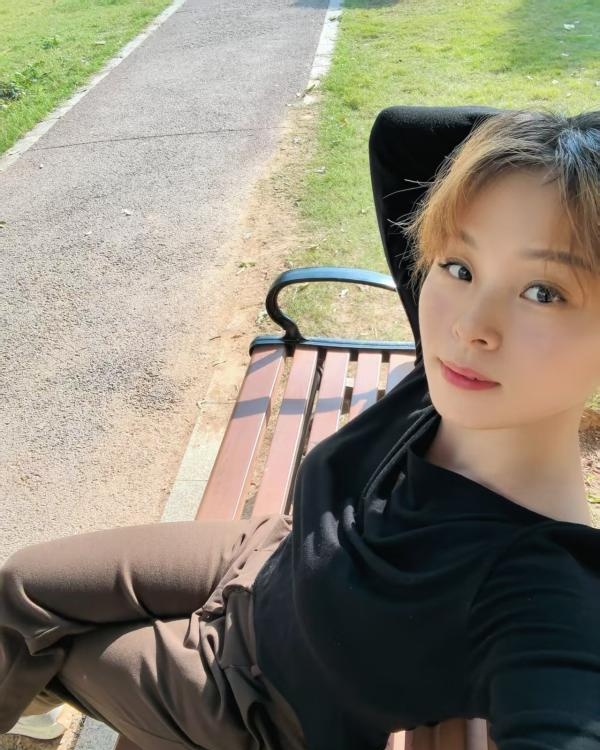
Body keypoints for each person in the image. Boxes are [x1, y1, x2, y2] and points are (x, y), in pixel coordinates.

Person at [1, 107, 599, 750]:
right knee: (21, 587)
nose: (469, 324)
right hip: (267, 559)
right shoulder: (454, 380)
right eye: (459, 266)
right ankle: (32, 702)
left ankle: (32, 694)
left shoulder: (541, 583)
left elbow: (563, 709)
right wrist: (571, 148)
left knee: (43, 644)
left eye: (544, 292)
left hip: (245, 702)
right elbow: (401, 139)